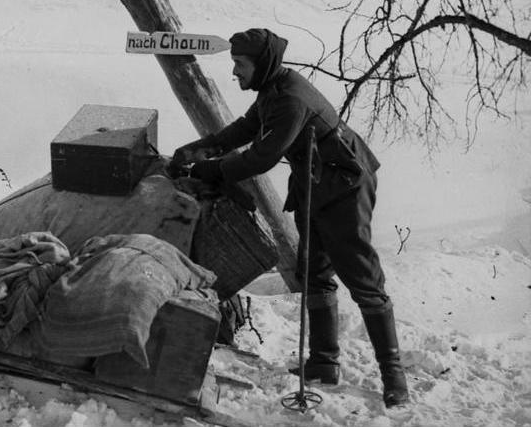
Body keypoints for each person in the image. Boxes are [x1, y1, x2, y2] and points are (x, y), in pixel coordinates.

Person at [170, 28, 409, 408]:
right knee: (313, 270)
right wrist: (197, 150)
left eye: (240, 64)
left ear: (262, 63)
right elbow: (244, 130)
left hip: (345, 186)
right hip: (314, 182)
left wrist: (208, 170)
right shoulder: (272, 89)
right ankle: (324, 363)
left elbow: (261, 157)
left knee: (362, 276)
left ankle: (394, 376)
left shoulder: (290, 100)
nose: (235, 72)